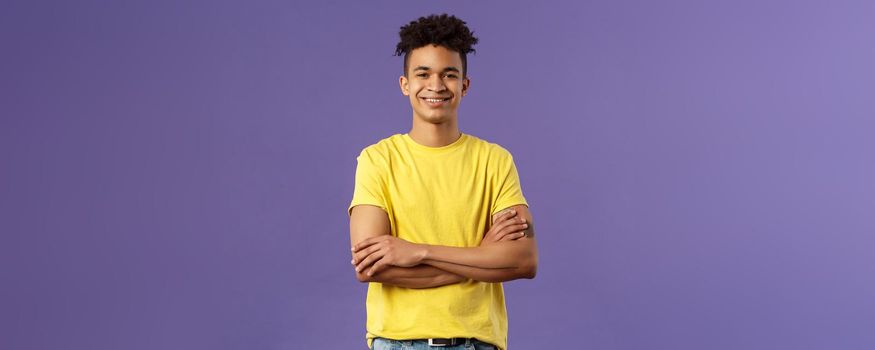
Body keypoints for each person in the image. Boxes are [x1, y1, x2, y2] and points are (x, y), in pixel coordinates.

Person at [348, 14, 538, 350]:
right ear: (405, 84)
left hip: (476, 343)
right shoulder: (378, 160)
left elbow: (522, 261)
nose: (436, 85)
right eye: (423, 74)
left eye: (449, 75)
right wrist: (481, 256)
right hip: (397, 343)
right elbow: (370, 268)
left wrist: (418, 252)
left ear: (464, 85)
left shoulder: (495, 161)